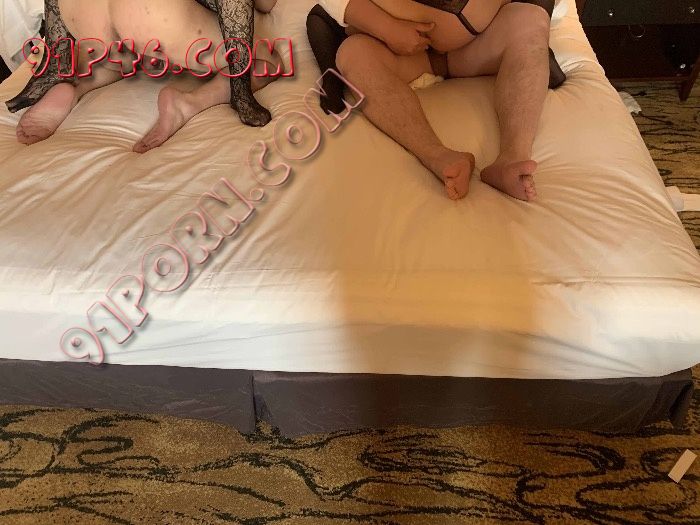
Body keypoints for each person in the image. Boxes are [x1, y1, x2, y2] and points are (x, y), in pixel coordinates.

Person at [307, 0, 566, 201]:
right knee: (352, 55)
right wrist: (388, 28)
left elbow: (552, 10)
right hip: (406, 56)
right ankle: (438, 156)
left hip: (473, 48)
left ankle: (512, 157)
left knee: (530, 21)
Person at [12, 0, 281, 151]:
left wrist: (57, 56)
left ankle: (76, 84)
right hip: (148, 14)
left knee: (127, 56)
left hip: (81, 14)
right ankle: (189, 103)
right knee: (267, 62)